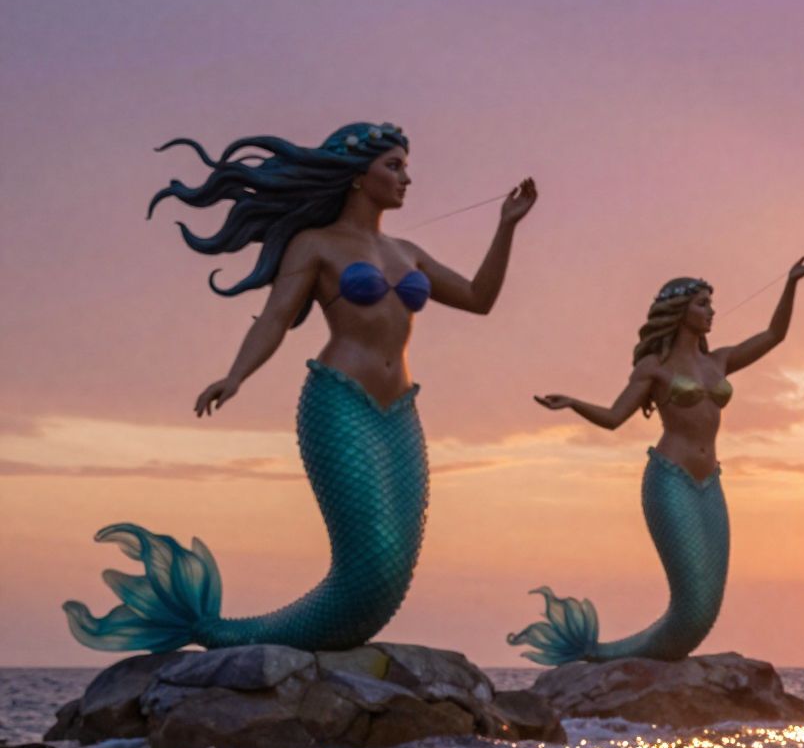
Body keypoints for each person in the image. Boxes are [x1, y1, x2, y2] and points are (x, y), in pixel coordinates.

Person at [64, 123, 537, 651]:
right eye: (395, 165)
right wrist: (236, 374)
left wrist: (507, 227)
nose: (408, 177)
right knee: (373, 559)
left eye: (406, 165)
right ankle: (222, 636)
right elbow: (273, 318)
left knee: (396, 566)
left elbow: (478, 297)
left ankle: (228, 634)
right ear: (359, 177)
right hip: (339, 401)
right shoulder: (316, 245)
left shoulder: (409, 251)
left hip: (400, 411)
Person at [510, 253, 804, 663]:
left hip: (711, 483)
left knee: (706, 605)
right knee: (690, 604)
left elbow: (773, 335)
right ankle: (602, 657)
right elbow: (614, 418)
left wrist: (792, 282)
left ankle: (600, 653)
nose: (711, 311)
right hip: (670, 479)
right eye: (702, 303)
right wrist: (573, 403)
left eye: (711, 303)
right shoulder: (654, 368)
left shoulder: (718, 360)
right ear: (679, 310)